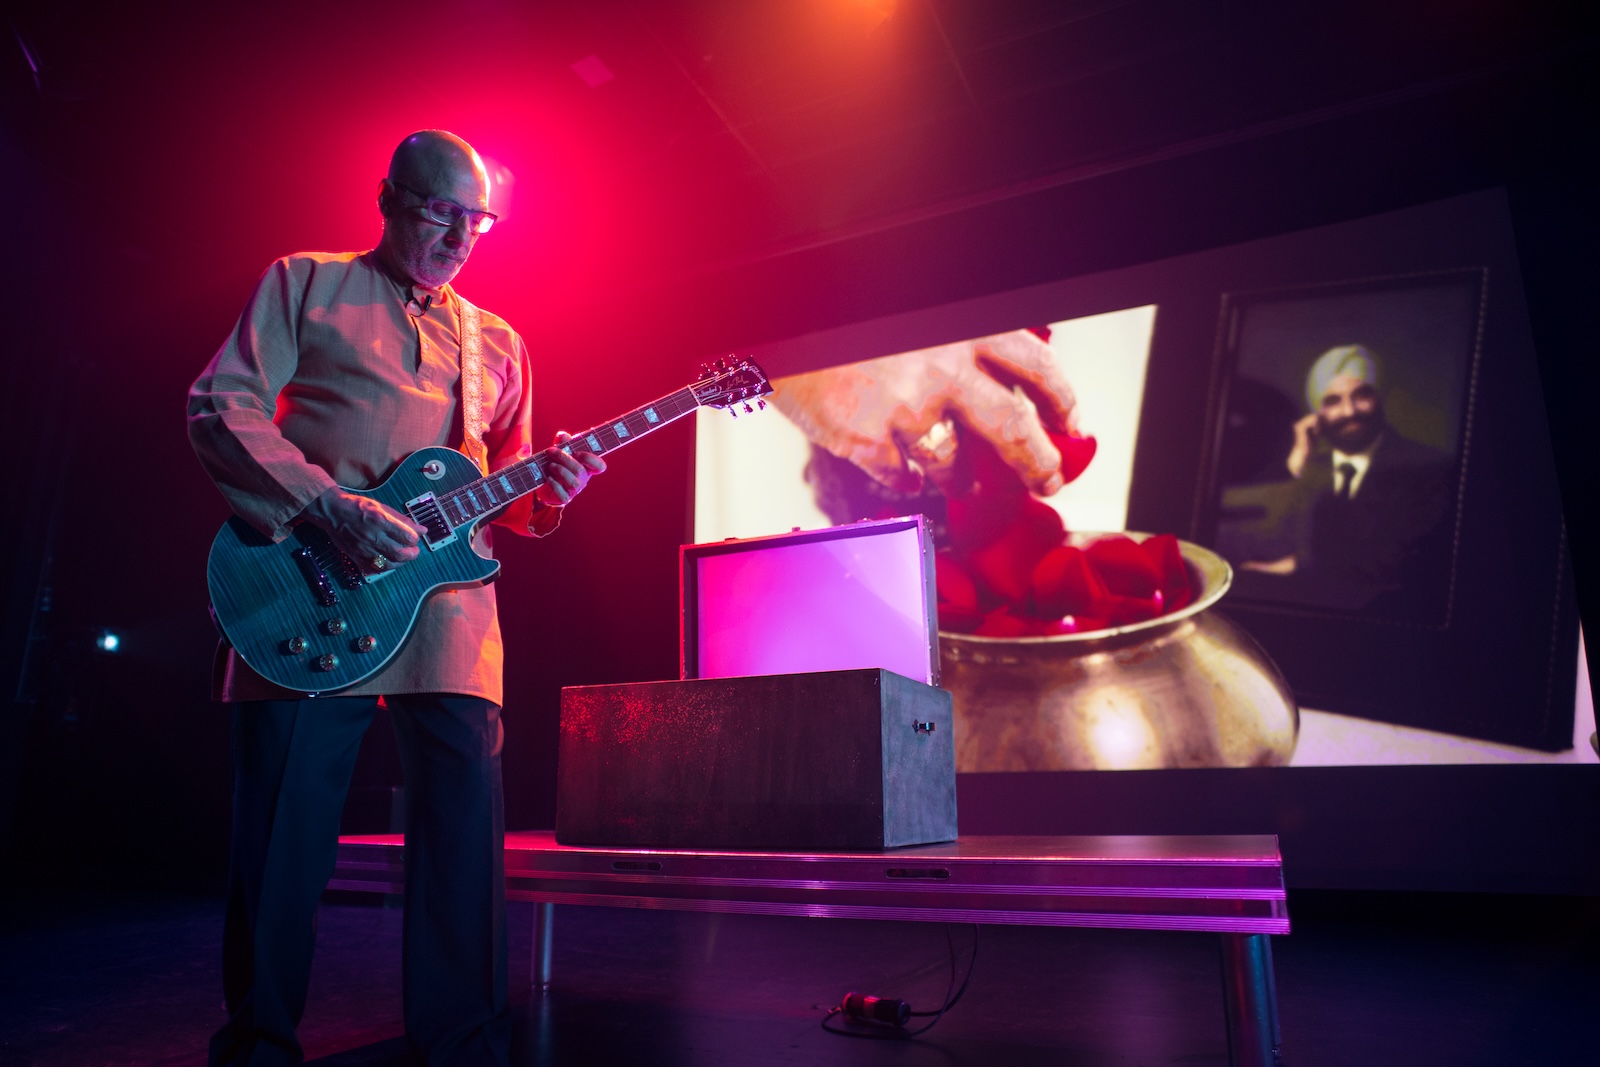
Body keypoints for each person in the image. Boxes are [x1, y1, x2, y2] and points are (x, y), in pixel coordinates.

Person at [187, 130, 605, 1066]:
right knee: (281, 846)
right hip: (309, 594)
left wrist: (555, 488)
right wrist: (326, 506)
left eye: (477, 220)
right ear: (387, 196)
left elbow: (514, 493)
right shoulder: (304, 281)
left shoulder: (498, 340)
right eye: (438, 212)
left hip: (451, 623)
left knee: (463, 856)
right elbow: (222, 405)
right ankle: (258, 1045)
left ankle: (462, 1049)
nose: (460, 236)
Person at [1233, 344, 1454, 616]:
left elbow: (1397, 561)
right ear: (1318, 413)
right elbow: (1268, 531)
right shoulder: (1305, 468)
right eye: (1332, 401)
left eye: (1361, 395)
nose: (1349, 411)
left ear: (1380, 398)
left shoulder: (1427, 467)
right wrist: (1297, 465)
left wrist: (1300, 564)